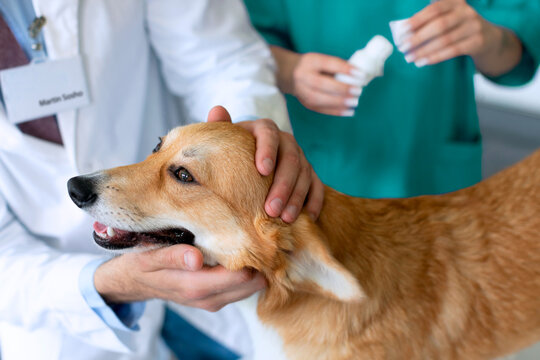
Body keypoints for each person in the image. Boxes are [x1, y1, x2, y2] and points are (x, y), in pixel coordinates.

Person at [0, 1, 324, 359]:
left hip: (226, 309)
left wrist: (252, 148)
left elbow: (218, 57)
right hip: (64, 320)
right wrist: (110, 283)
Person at [244, 0, 540, 198]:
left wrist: (490, 39)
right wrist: (289, 69)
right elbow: (228, 46)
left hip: (429, 159)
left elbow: (517, 54)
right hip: (326, 158)